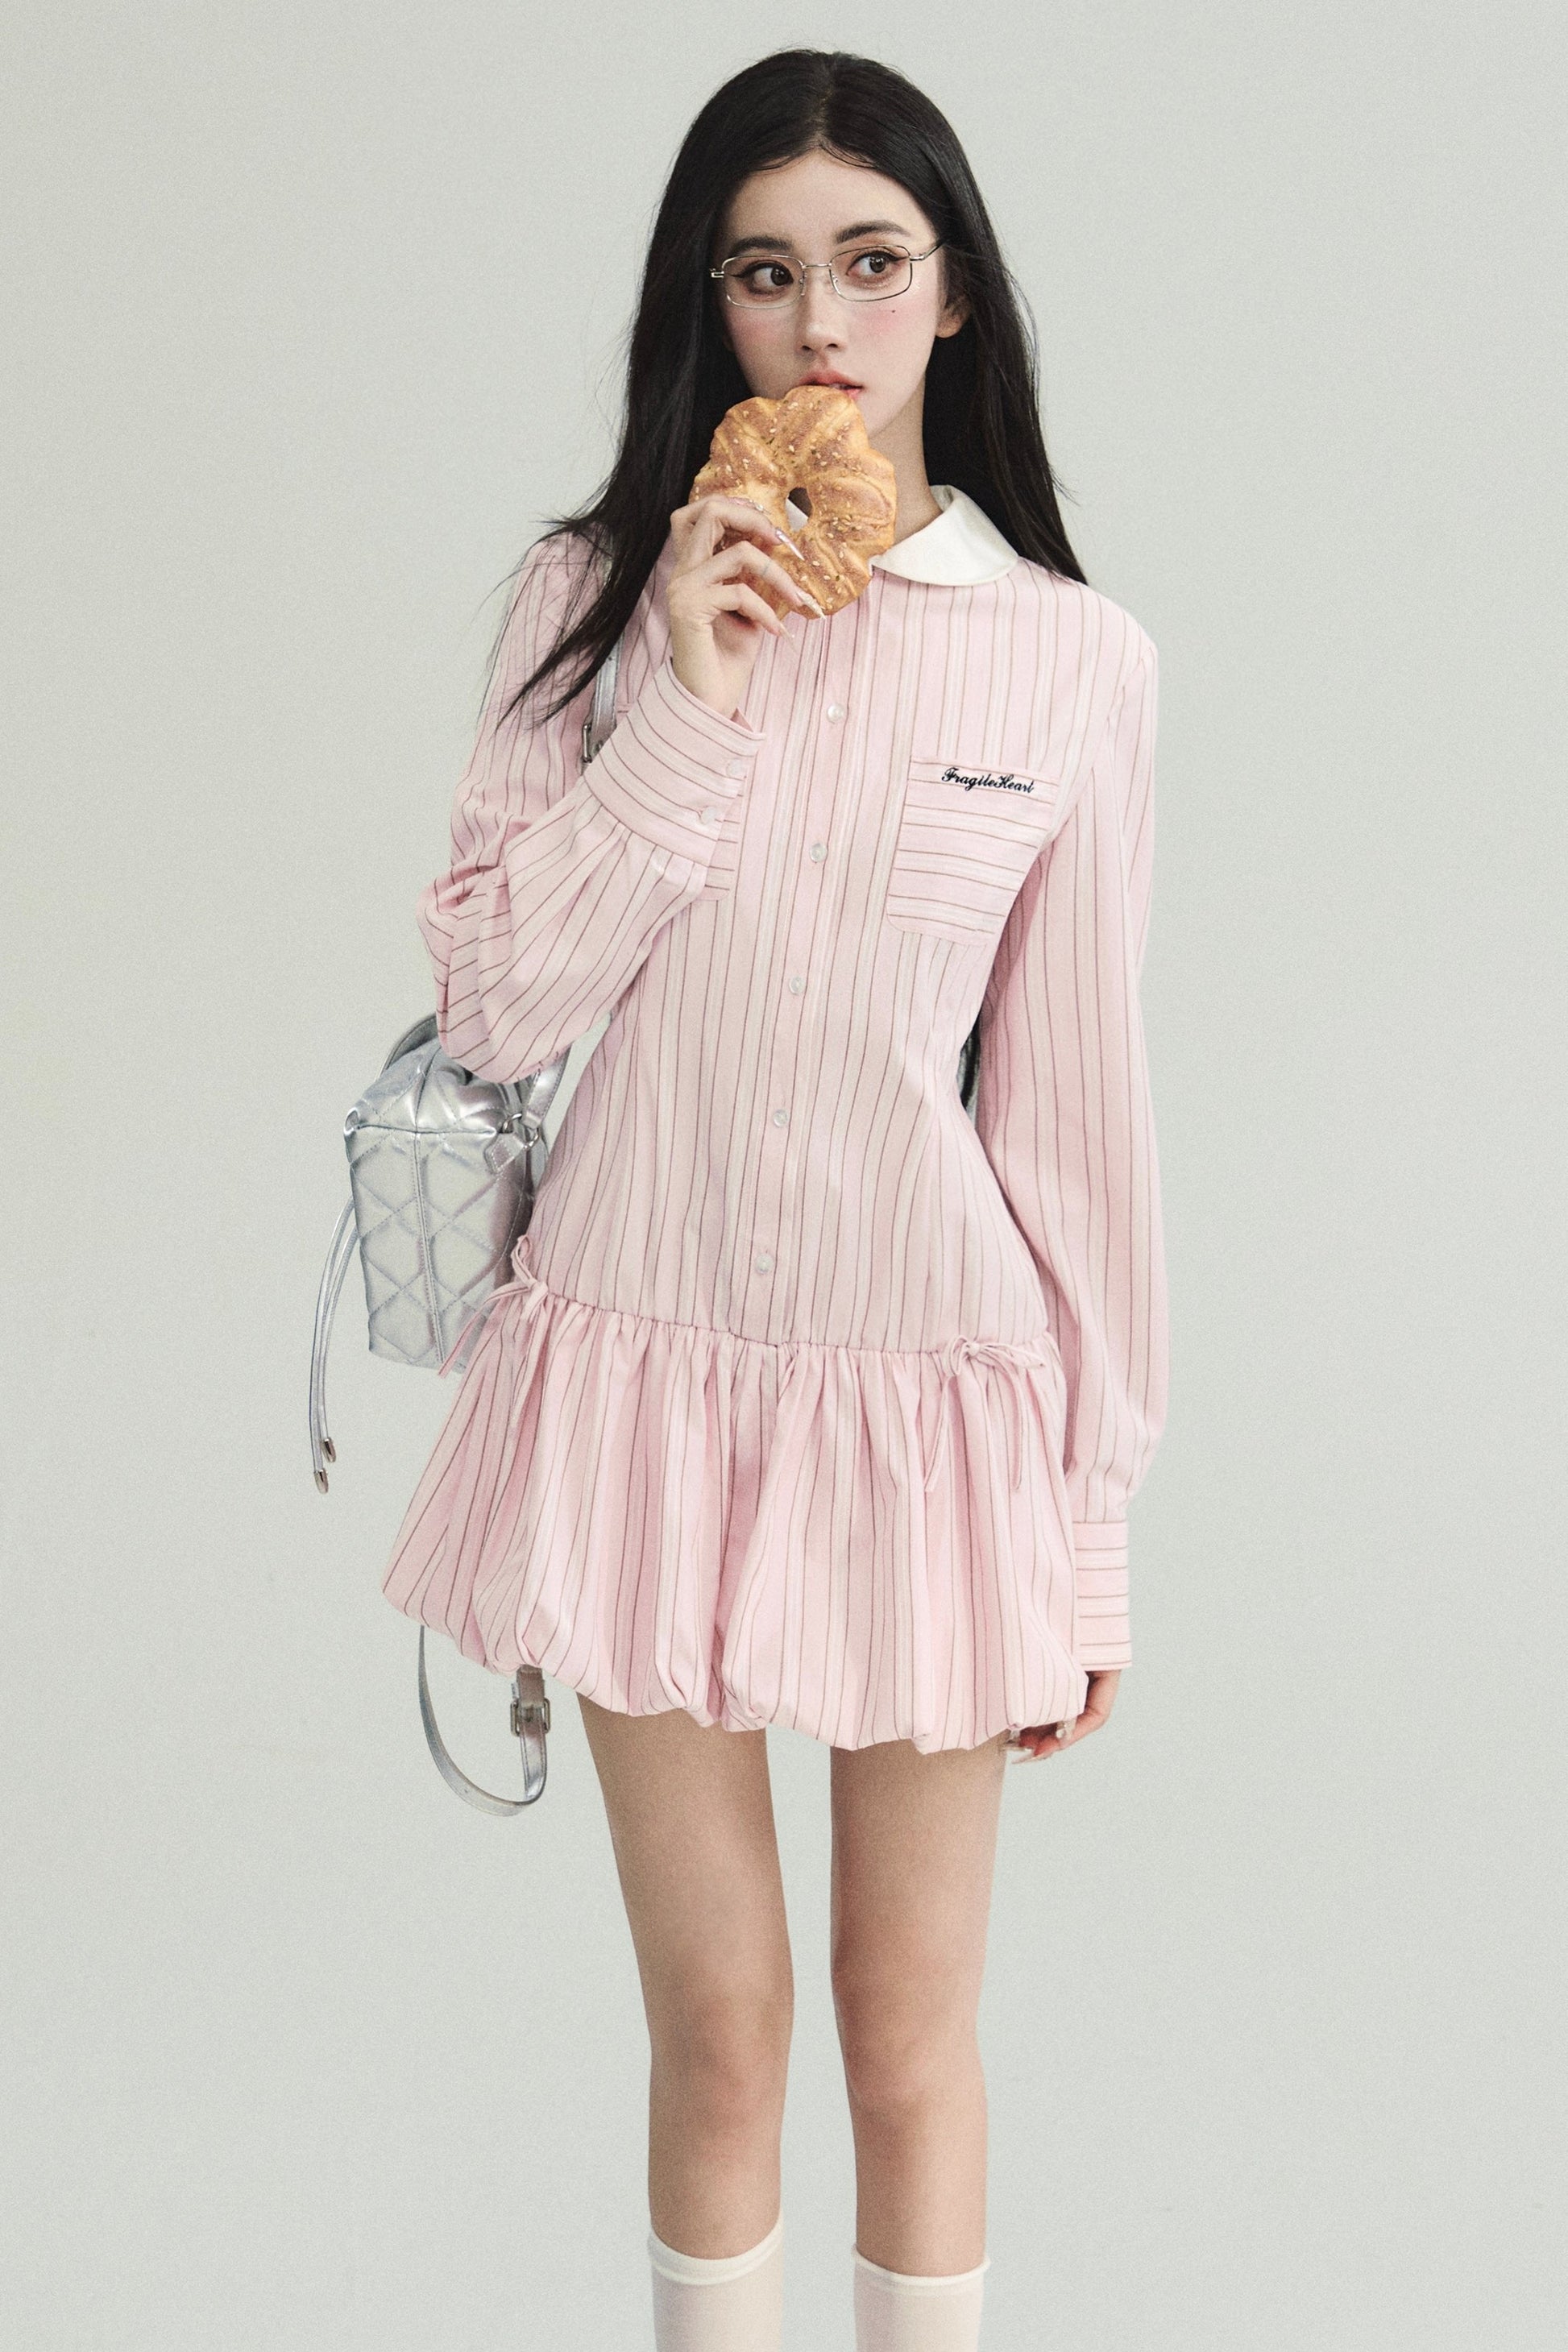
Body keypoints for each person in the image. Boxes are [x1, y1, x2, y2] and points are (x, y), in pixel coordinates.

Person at [381, 46, 1168, 2352]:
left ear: (954, 296)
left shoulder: (1072, 659)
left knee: (905, 2040)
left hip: (932, 1410)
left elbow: (1074, 1121)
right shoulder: (591, 600)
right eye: (763, 272)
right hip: (639, 1375)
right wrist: (691, 695)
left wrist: (1090, 1522)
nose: (820, 321)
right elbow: (500, 1007)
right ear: (704, 304)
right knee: (719, 2035)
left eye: (871, 262)